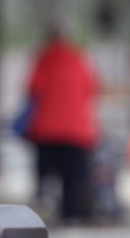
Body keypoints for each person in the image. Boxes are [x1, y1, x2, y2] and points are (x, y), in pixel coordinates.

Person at [23, 28, 101, 222]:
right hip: (76, 130)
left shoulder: (44, 58)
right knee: (72, 177)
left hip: (47, 130)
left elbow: (33, 87)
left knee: (44, 174)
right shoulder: (79, 58)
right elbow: (92, 87)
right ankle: (71, 214)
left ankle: (42, 210)